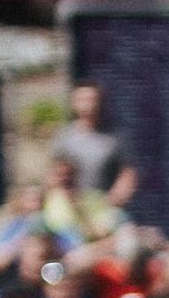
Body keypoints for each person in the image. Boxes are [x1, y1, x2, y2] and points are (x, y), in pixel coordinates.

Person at [53, 84, 136, 218]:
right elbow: (56, 174)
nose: (88, 104)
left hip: (106, 208)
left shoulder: (115, 136)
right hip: (73, 208)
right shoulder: (64, 137)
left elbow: (128, 173)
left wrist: (115, 199)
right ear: (73, 103)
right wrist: (68, 200)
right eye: (82, 99)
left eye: (91, 99)